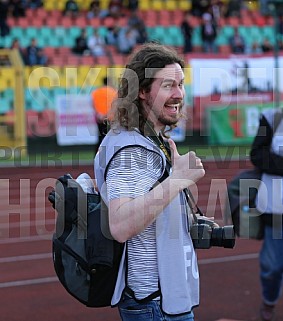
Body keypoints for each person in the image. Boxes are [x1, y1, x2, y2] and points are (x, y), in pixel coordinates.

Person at [94, 43, 206, 321]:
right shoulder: (132, 149)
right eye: (168, 85)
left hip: (158, 301)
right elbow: (120, 226)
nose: (179, 94)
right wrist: (178, 180)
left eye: (181, 84)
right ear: (142, 91)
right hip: (154, 305)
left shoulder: (148, 139)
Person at [250, 108, 283, 321]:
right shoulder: (273, 118)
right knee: (272, 266)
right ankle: (269, 301)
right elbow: (257, 154)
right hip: (277, 209)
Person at [91, 76, 117, 152]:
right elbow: (114, 106)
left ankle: (97, 155)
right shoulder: (113, 92)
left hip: (99, 118)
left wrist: (99, 115)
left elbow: (93, 105)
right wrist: (106, 115)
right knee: (110, 138)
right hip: (110, 118)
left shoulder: (96, 92)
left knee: (100, 138)